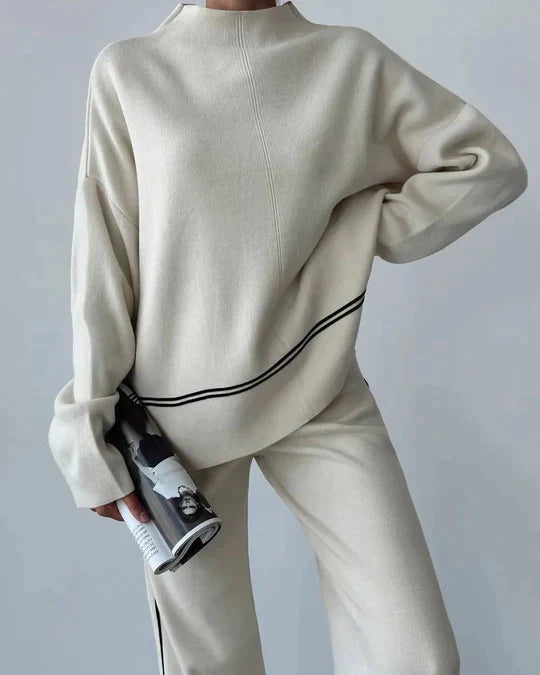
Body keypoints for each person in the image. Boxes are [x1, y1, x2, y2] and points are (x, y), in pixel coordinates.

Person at [47, 1, 528, 673]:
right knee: (213, 664)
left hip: (319, 387)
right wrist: (90, 428)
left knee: (414, 653)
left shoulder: (347, 61)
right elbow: (103, 262)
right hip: (176, 427)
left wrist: (358, 231)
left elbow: (487, 163)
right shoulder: (131, 72)